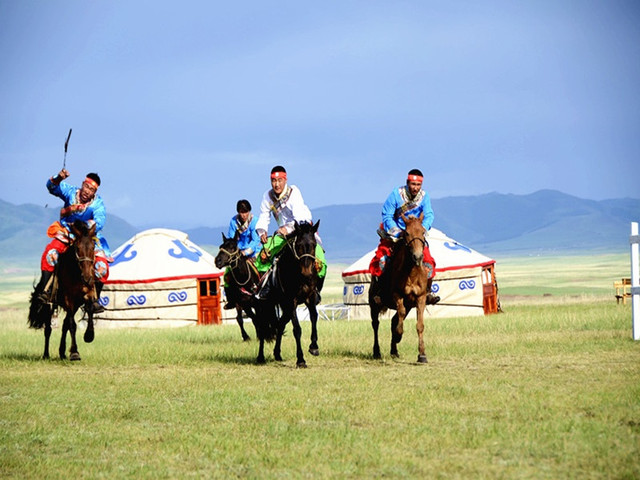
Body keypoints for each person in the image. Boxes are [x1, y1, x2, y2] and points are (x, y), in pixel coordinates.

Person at [34, 168, 111, 313]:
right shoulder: (70, 192)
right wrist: (58, 177)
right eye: (86, 187)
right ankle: (45, 291)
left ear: (95, 192)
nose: (87, 191)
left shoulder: (97, 204)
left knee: (102, 267)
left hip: (88, 236)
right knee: (51, 254)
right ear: (82, 184)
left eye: (91, 190)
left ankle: (95, 300)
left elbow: (99, 222)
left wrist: (83, 226)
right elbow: (51, 187)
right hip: (67, 233)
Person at [254, 165, 327, 295]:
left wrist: (288, 228)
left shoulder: (293, 192)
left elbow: (300, 216)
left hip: (302, 230)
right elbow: (264, 215)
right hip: (283, 234)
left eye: (279, 181)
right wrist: (262, 231)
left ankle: (316, 289)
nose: (276, 185)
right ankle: (265, 286)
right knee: (265, 253)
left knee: (319, 258)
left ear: (285, 180)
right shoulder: (268, 196)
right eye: (273, 181)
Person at [369, 168, 439, 304]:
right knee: (382, 260)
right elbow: (387, 215)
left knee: (428, 261)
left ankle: (428, 291)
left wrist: (422, 228)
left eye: (418, 185)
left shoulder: (424, 197)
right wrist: (396, 231)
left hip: (415, 235)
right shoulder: (396, 194)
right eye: (413, 185)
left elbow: (429, 214)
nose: (415, 188)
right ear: (407, 183)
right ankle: (379, 291)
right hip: (398, 233)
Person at [222, 199, 261, 309]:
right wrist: (236, 251)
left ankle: (263, 291)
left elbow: (255, 240)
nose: (243, 215)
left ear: (249, 211)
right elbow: (231, 240)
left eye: (245, 212)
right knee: (227, 274)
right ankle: (231, 299)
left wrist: (246, 252)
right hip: (238, 252)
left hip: (254, 251)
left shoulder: (254, 221)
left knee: (261, 268)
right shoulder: (234, 222)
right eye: (241, 212)